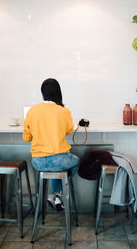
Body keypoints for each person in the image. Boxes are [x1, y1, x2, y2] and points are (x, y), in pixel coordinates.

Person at [23, 78, 79, 211]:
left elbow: (26, 138)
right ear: (58, 93)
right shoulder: (63, 111)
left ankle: (55, 195)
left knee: (56, 169)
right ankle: (56, 194)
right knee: (75, 161)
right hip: (58, 161)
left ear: (43, 93)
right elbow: (69, 130)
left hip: (37, 162)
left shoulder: (32, 111)